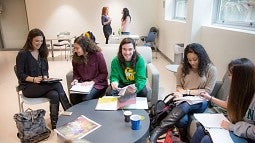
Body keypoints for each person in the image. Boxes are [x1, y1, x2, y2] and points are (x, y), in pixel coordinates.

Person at [149, 43, 217, 142]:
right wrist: (180, 92)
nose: (192, 63)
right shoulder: (182, 67)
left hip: (201, 101)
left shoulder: (211, 69)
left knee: (186, 104)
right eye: (189, 60)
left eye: (195, 59)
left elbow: (206, 91)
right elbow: (178, 86)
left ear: (201, 57)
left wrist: (187, 92)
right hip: (183, 97)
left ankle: (158, 129)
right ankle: (182, 137)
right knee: (182, 120)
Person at [15, 28, 72, 129]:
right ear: (30, 40)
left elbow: (45, 70)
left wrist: (45, 77)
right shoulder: (23, 54)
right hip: (28, 87)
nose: (39, 43)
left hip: (41, 85)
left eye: (41, 41)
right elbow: (20, 75)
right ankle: (69, 110)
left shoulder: (42, 52)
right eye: (37, 41)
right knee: (57, 84)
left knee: (54, 94)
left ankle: (54, 122)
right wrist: (33, 79)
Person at [191, 58, 255, 143]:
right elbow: (228, 104)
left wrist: (232, 127)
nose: (229, 78)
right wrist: (209, 98)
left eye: (230, 75)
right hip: (235, 127)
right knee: (200, 129)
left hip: (248, 136)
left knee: (207, 140)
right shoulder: (238, 90)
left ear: (241, 78)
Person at [70, 36, 108, 105]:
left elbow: (104, 73)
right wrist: (75, 79)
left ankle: (87, 114)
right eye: (74, 48)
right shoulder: (75, 58)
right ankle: (78, 114)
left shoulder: (97, 55)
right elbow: (75, 73)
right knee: (73, 96)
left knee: (86, 98)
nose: (75, 50)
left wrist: (92, 82)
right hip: (83, 84)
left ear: (84, 47)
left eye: (77, 48)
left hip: (97, 84)